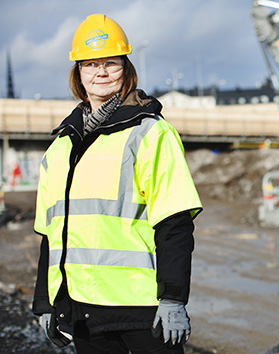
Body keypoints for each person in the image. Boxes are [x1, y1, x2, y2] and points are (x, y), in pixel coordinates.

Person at [31, 14, 203, 354]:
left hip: (141, 308)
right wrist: (45, 302)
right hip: (82, 309)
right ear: (78, 73)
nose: (101, 71)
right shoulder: (61, 147)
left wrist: (172, 298)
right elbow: (50, 237)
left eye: (110, 62)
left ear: (126, 69)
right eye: (90, 63)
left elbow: (175, 224)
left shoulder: (151, 133)